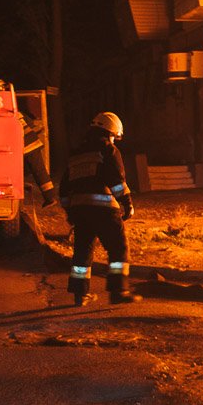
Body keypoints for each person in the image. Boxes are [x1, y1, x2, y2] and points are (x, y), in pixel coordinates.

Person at [59, 112, 139, 306]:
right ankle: (118, 291)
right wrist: (127, 204)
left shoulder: (76, 153)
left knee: (82, 252)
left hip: (80, 211)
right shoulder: (108, 150)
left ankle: (80, 295)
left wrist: (70, 211)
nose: (114, 140)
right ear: (110, 132)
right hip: (104, 210)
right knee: (118, 249)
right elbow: (116, 180)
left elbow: (64, 188)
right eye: (114, 136)